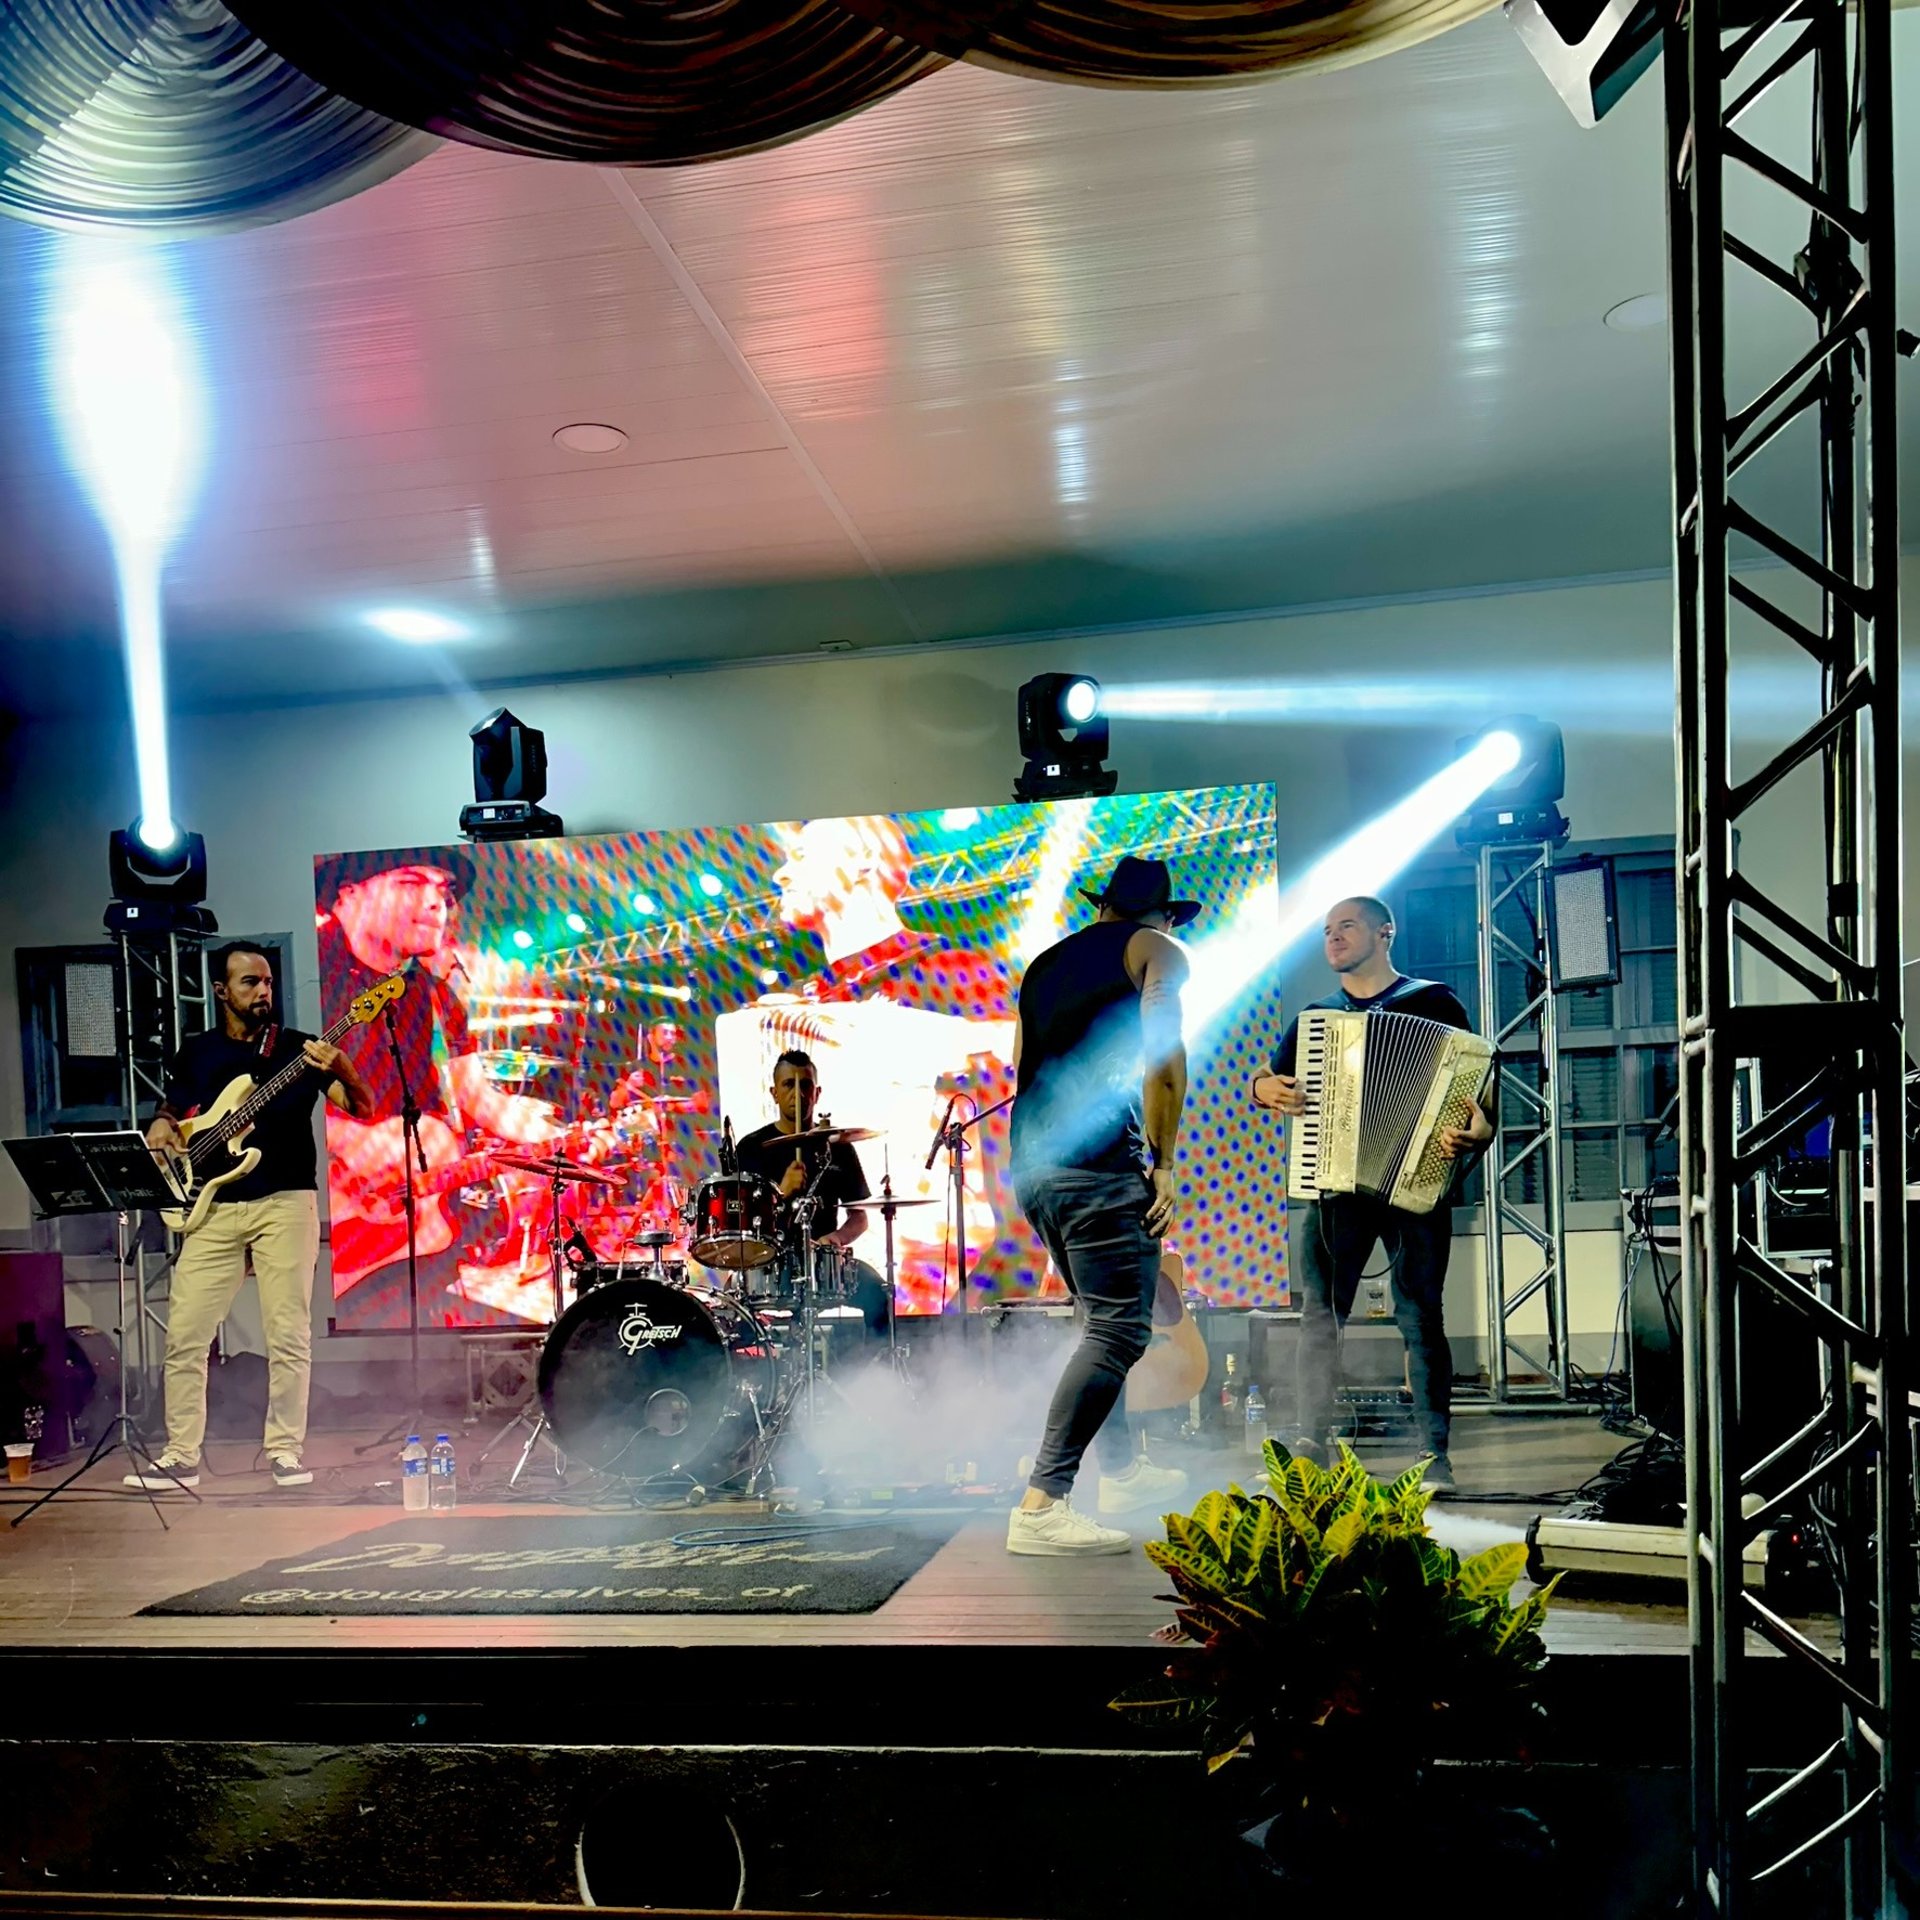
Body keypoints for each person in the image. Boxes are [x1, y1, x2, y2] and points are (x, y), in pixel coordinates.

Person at [1251, 896, 1494, 1494]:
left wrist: (1483, 1128)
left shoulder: (1435, 1003)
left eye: (1347, 926)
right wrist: (1265, 1089)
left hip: (1417, 1182)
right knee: (1318, 1317)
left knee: (1420, 1315)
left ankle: (1433, 1457)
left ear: (1385, 932)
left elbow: (1477, 1086)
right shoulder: (1316, 1019)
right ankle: (1311, 1446)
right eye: (1326, 928)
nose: (1332, 937)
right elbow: (1266, 1078)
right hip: (1334, 1186)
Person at [130, 943, 374, 1490]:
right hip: (213, 1205)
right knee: (186, 1335)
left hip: (284, 1202)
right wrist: (164, 1124)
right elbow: (176, 1105)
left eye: (267, 982)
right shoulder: (197, 1052)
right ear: (221, 991)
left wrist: (345, 1067)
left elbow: (363, 1108)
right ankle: (181, 1455)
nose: (263, 991)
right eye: (249, 983)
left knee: (288, 1334)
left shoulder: (301, 1051)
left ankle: (284, 1451)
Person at [1005, 855, 1194, 1557]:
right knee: (1117, 1333)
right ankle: (1042, 1504)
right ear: (1163, 915)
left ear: (1104, 904)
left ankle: (1119, 1475)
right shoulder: (1158, 950)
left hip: (1035, 1166)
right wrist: (1165, 1162)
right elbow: (1164, 1055)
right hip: (1097, 1169)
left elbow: (1018, 1065)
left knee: (1097, 1324)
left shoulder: (1044, 966)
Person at [316, 853, 555, 1325]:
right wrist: (345, 1138)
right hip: (319, 1231)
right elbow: (247, 1095)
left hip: (407, 1240)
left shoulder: (436, 996)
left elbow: (475, 1097)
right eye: (410, 882)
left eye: (442, 891)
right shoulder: (300, 973)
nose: (434, 903)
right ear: (349, 894)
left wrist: (547, 1136)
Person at [732, 1051, 886, 1336]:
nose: (798, 1093)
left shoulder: (838, 1147)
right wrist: (780, 1190)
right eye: (789, 1084)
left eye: (805, 1085)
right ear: (774, 1093)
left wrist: (837, 1239)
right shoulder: (752, 1148)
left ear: (817, 1093)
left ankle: (875, 1377)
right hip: (768, 1264)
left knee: (880, 1296)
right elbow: (740, 1221)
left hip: (825, 1265)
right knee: (731, 1315)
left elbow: (859, 1218)